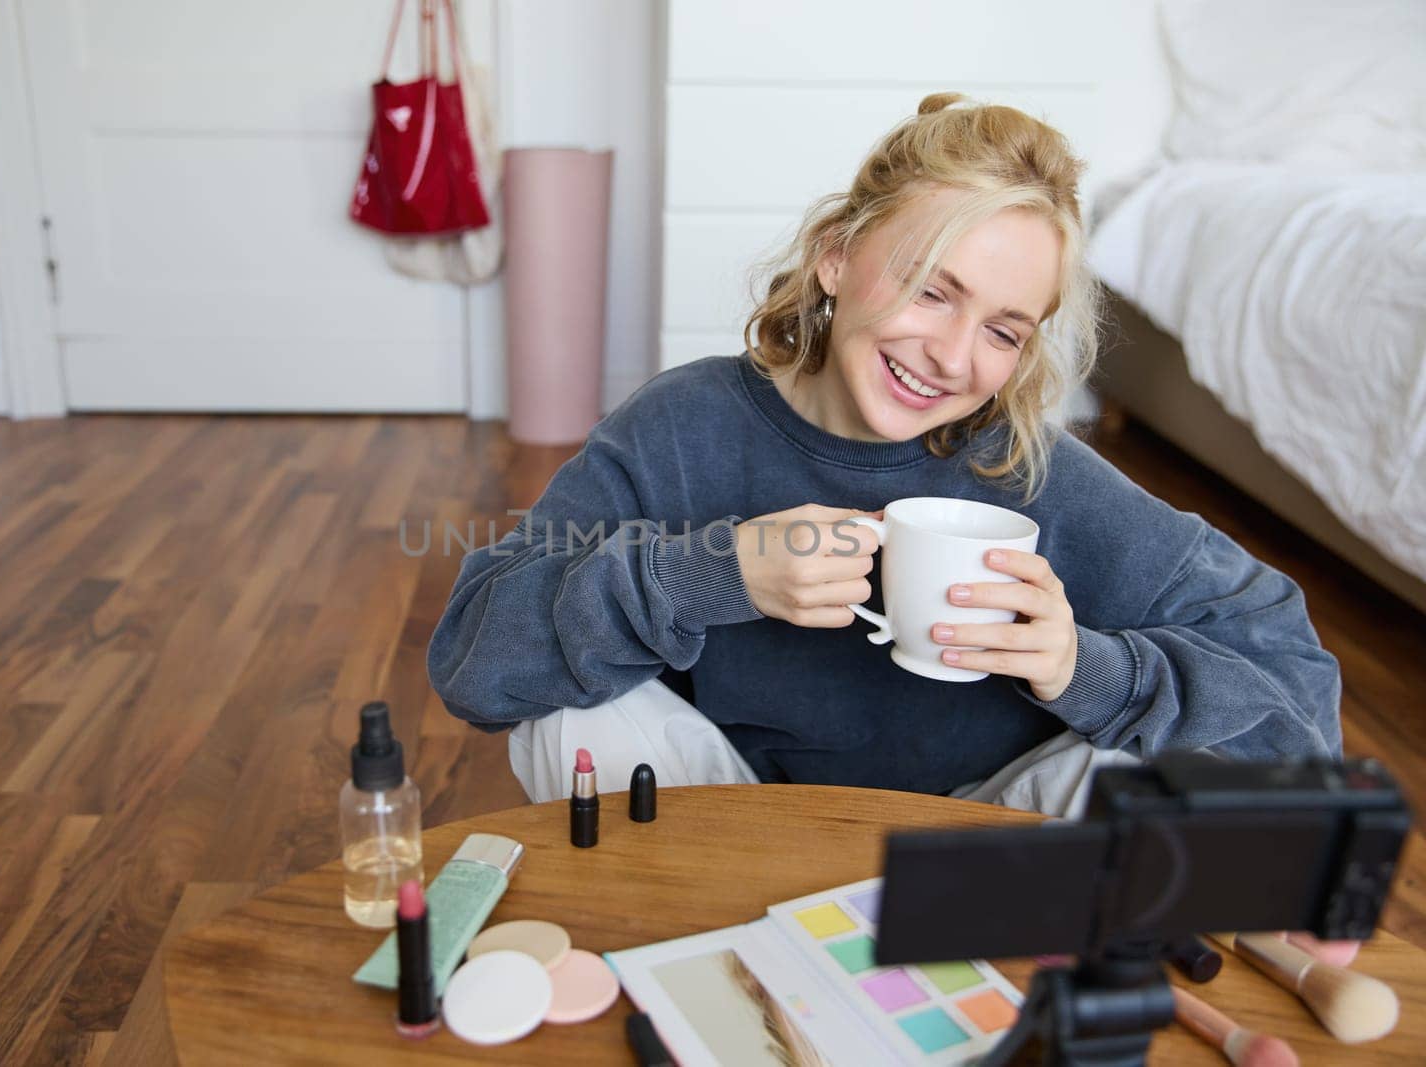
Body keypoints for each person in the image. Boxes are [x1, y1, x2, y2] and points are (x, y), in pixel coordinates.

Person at [427, 93, 1340, 812]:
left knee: (1131, 768)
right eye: (931, 290)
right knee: (569, 720)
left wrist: (1083, 669)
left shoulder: (1031, 472)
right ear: (836, 256)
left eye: (1004, 329)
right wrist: (713, 572)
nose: (952, 357)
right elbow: (474, 659)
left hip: (974, 847)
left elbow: (1296, 701)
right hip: (728, 821)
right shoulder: (683, 426)